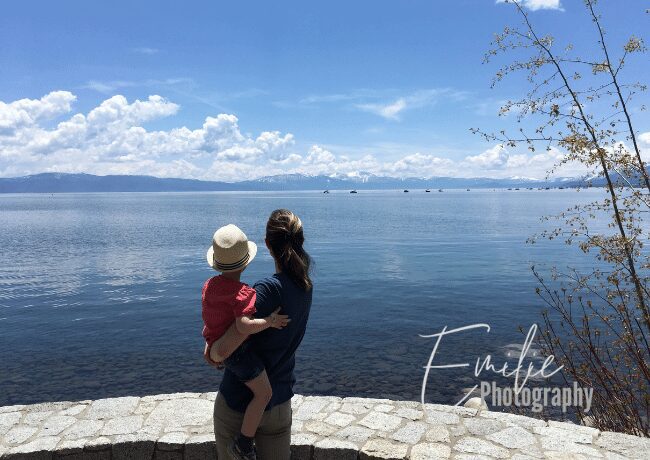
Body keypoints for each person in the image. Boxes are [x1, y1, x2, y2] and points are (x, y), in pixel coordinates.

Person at [206, 209, 313, 460]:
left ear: (267, 245)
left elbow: (222, 350)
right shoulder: (305, 287)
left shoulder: (265, 291)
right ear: (300, 241)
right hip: (279, 404)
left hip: (238, 405)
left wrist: (211, 350)